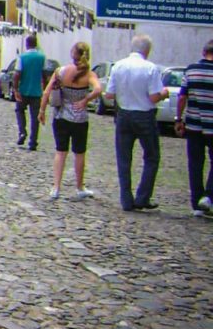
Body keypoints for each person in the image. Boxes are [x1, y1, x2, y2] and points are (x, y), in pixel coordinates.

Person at [105, 35, 170, 212]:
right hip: (144, 115)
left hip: (124, 114)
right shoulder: (150, 68)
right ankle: (143, 196)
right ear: (147, 50)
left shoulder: (118, 66)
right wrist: (164, 93)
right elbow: (154, 97)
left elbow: (109, 95)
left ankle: (126, 199)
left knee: (124, 158)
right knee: (152, 156)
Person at [39, 42, 101, 200]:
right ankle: (80, 187)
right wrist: (85, 100)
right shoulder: (89, 75)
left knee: (61, 152)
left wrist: (42, 111)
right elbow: (99, 89)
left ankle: (56, 187)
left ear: (72, 54)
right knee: (79, 153)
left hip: (61, 116)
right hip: (80, 118)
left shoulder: (60, 72)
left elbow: (46, 93)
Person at [175, 39, 213, 217]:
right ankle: (208, 196)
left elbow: (182, 97)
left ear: (203, 52)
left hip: (193, 124)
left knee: (195, 163)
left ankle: (196, 204)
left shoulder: (191, 70)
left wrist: (178, 119)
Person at [13, 35, 45, 151]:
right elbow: (44, 74)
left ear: (26, 44)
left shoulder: (22, 57)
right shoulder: (42, 57)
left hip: (24, 90)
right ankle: (33, 142)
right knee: (35, 117)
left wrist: (15, 89)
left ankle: (22, 132)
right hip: (36, 92)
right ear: (36, 44)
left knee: (20, 110)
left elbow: (17, 74)